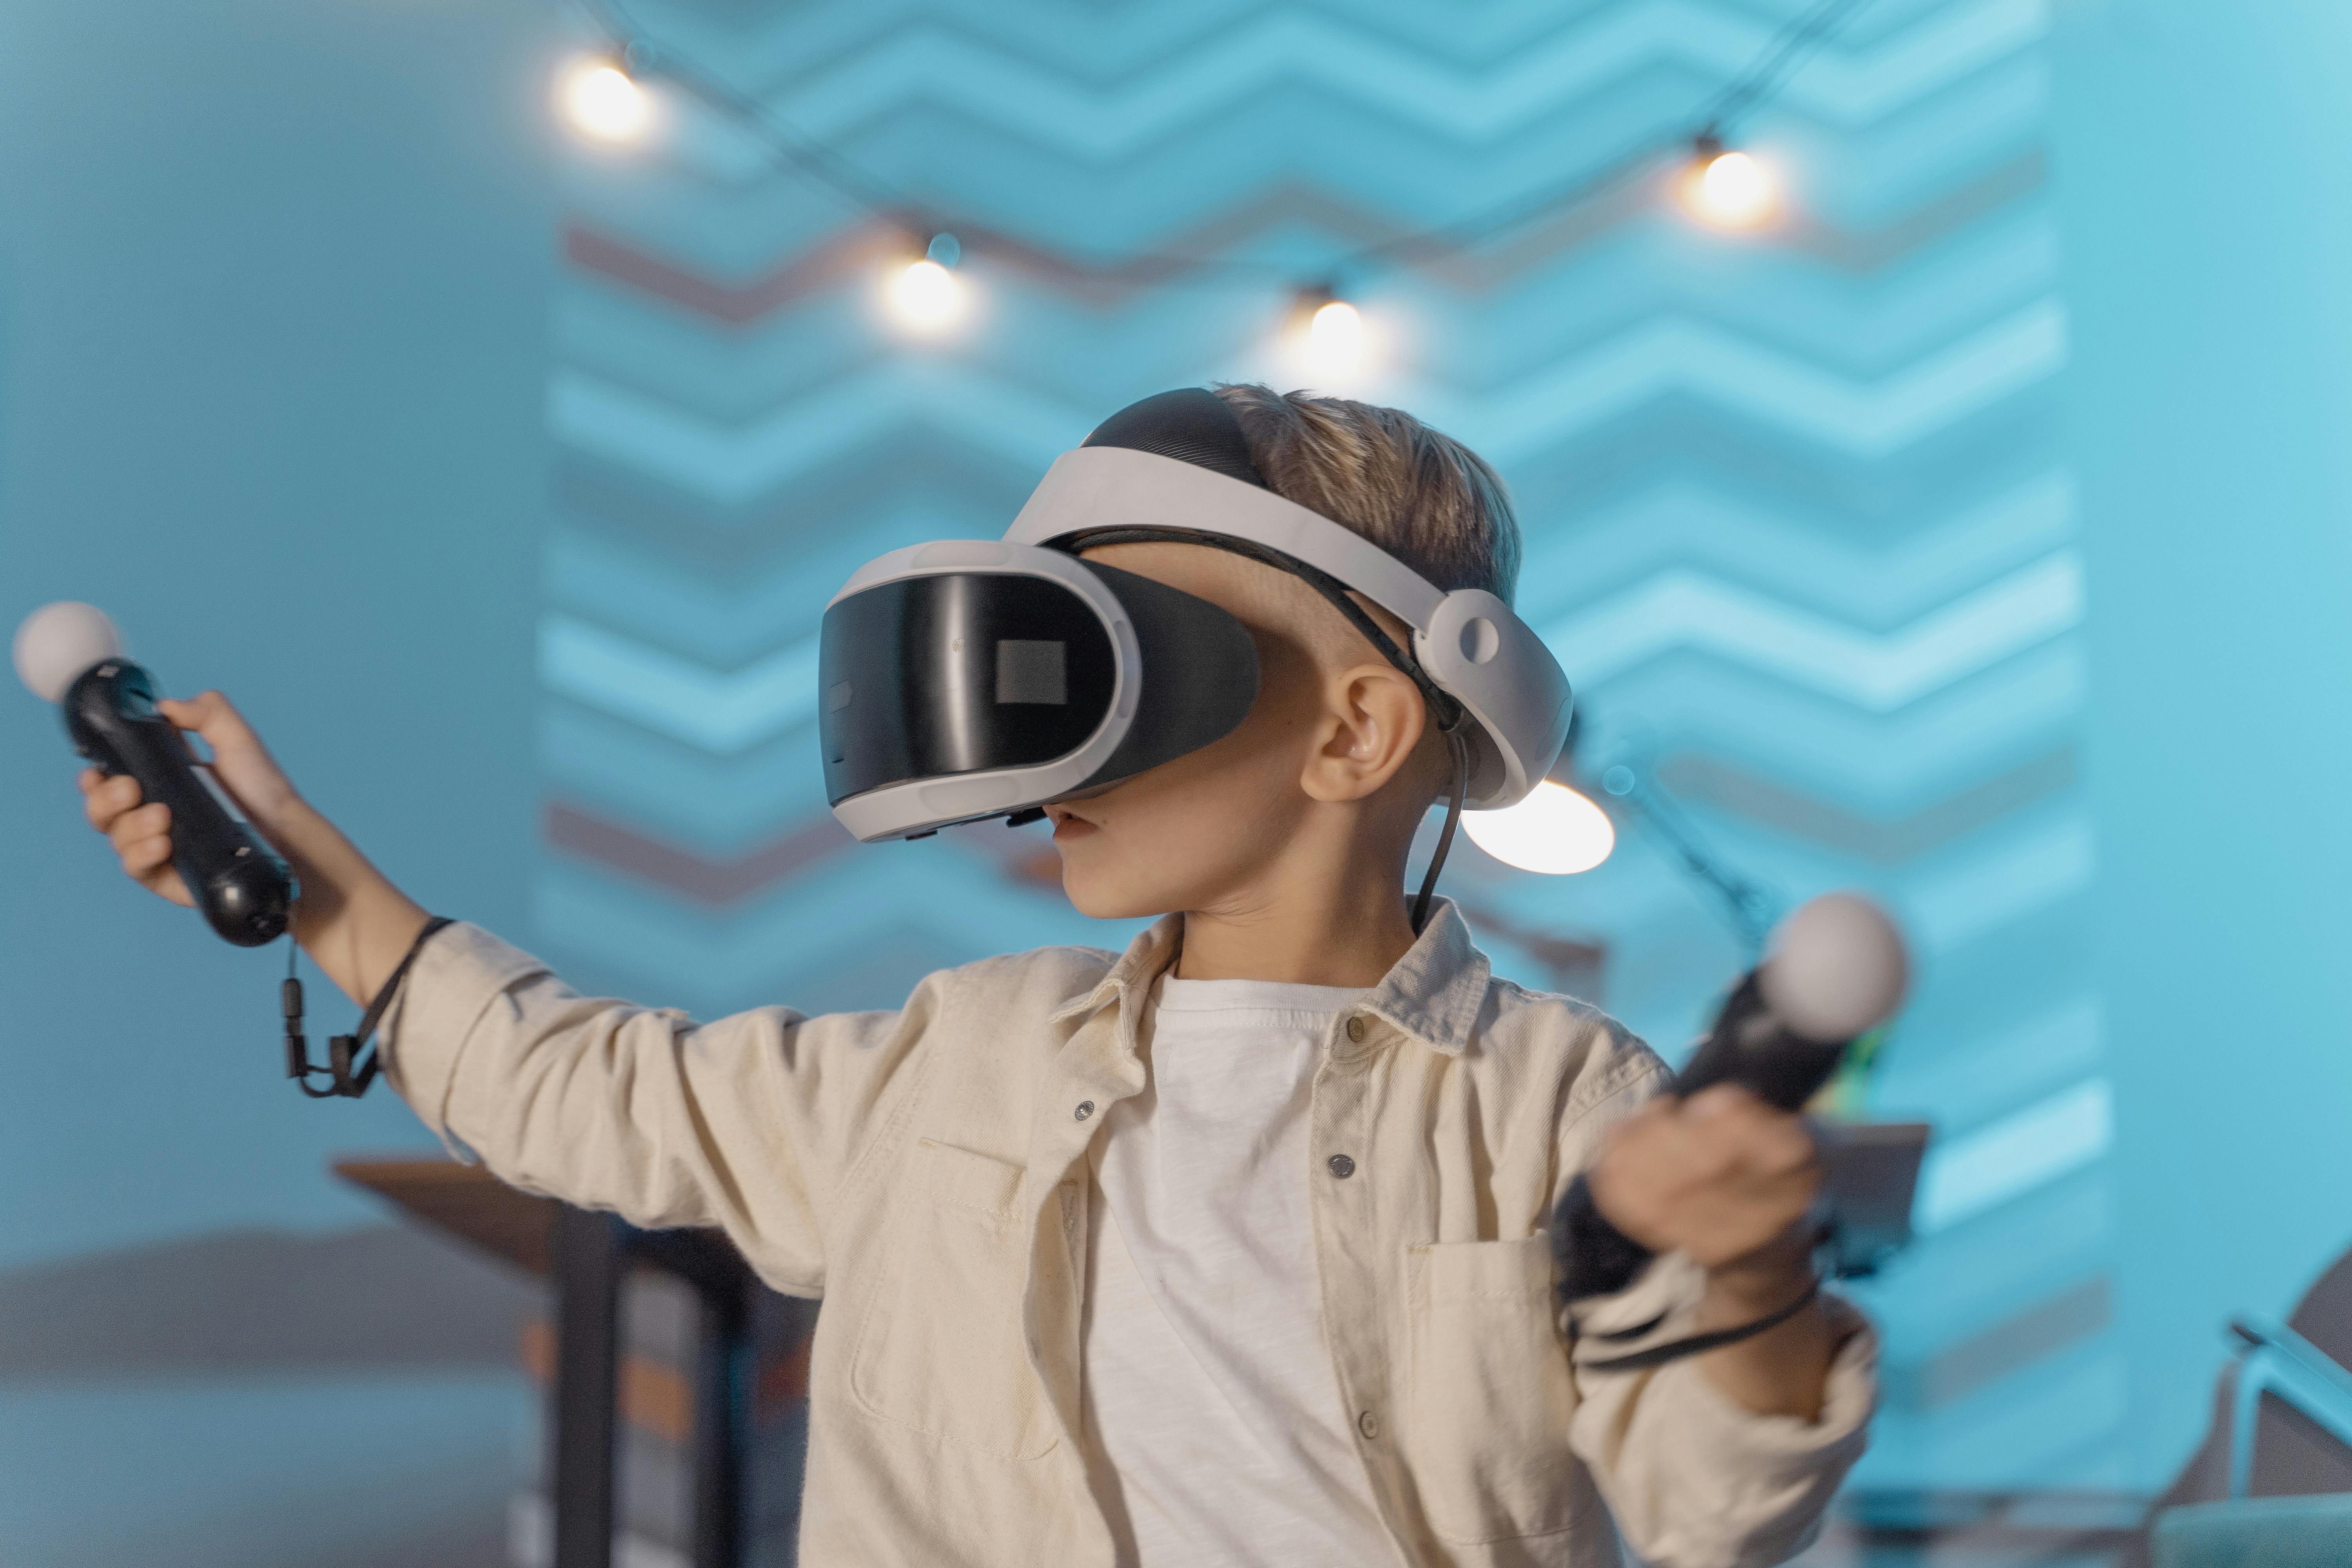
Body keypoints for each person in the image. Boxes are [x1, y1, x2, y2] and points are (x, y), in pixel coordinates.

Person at [78, 384, 1875, 1568]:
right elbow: (575, 1088)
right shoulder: (955, 1065)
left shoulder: (1570, 1101)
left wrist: (1747, 1261)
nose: (1048, 753)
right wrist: (301, 873)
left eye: (1120, 665)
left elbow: (1718, 1512)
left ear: (1355, 727)